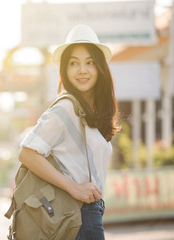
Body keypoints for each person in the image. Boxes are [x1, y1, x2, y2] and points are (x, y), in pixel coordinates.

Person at [18, 24, 120, 239]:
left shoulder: (87, 113)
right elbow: (27, 153)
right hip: (76, 213)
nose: (82, 70)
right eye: (74, 63)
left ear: (100, 68)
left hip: (89, 212)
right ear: (65, 70)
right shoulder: (66, 108)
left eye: (89, 63)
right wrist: (73, 188)